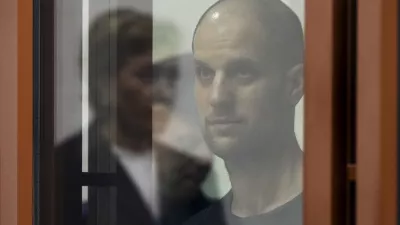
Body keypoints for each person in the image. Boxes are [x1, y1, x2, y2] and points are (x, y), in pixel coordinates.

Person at [55, 9, 212, 225]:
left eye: (170, 75)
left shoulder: (187, 157)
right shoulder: (63, 167)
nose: (165, 92)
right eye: (147, 75)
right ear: (104, 85)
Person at [186, 0, 304, 224]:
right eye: (204, 73)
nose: (217, 97)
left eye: (242, 73)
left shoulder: (349, 209)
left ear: (295, 84)